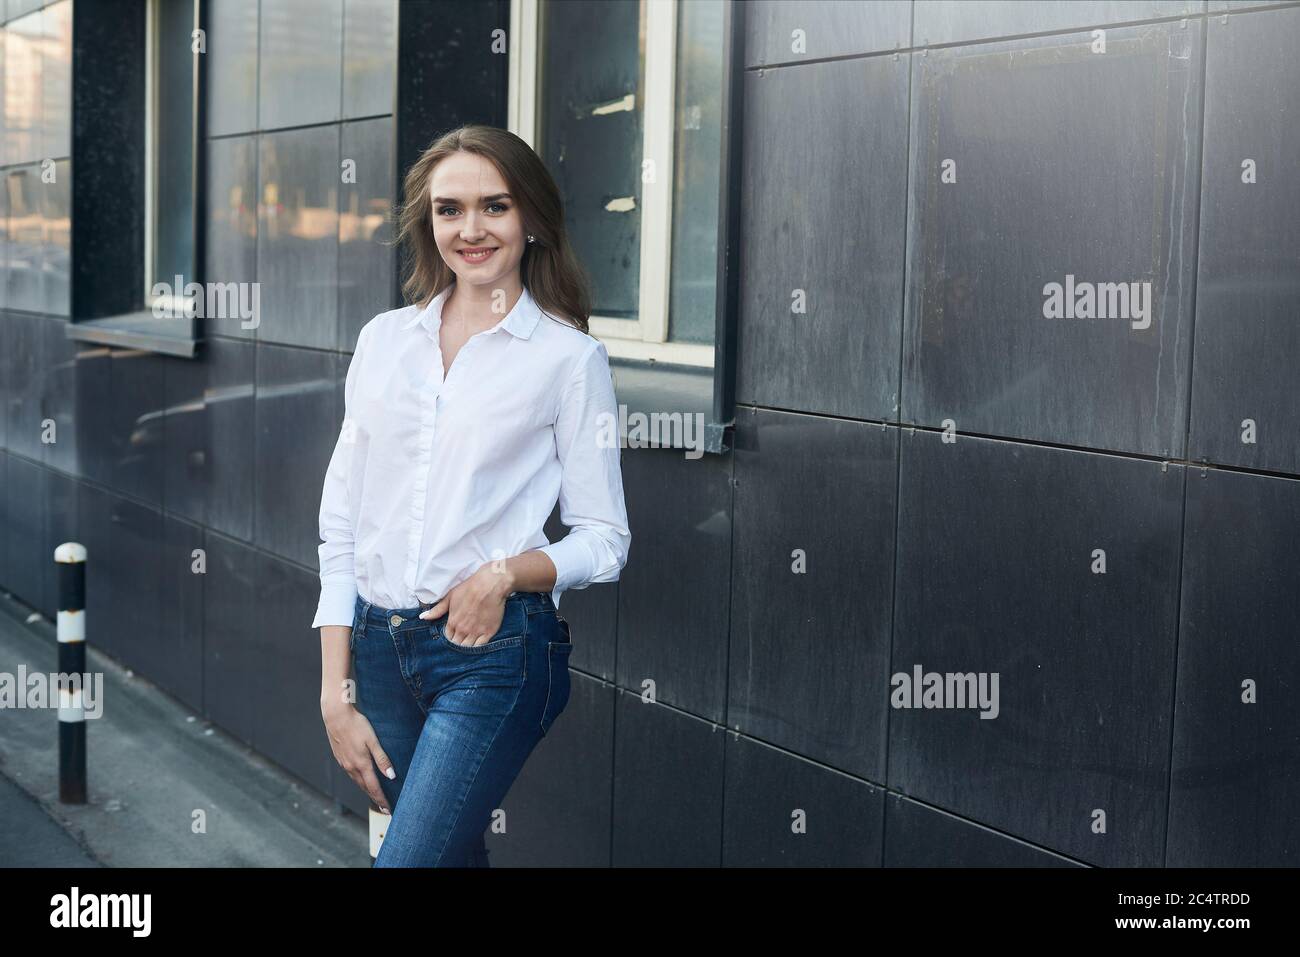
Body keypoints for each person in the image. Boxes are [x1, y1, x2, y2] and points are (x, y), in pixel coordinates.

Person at [314, 124, 631, 867]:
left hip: (496, 655)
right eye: (449, 209)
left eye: (495, 206)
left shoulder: (569, 359)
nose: (472, 228)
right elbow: (341, 522)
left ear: (531, 221)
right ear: (429, 224)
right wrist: (337, 689)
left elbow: (606, 537)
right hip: (378, 650)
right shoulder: (384, 341)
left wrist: (505, 573)